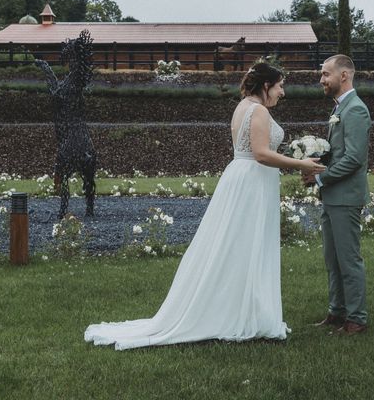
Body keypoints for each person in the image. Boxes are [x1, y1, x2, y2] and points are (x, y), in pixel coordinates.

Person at [85, 62, 325, 350]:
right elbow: (261, 154)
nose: (282, 92)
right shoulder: (258, 110)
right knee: (244, 246)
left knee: (240, 247)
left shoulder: (243, 106)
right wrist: (301, 162)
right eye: (280, 86)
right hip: (251, 183)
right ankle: (238, 313)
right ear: (266, 86)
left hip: (246, 180)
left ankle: (244, 308)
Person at [302, 54, 371, 335]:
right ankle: (337, 311)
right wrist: (313, 163)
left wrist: (319, 176)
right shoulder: (340, 108)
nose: (321, 80)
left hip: (345, 197)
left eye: (325, 74)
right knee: (332, 259)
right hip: (332, 196)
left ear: (344, 76)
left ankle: (356, 319)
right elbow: (337, 153)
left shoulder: (355, 109)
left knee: (348, 260)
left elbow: (354, 158)